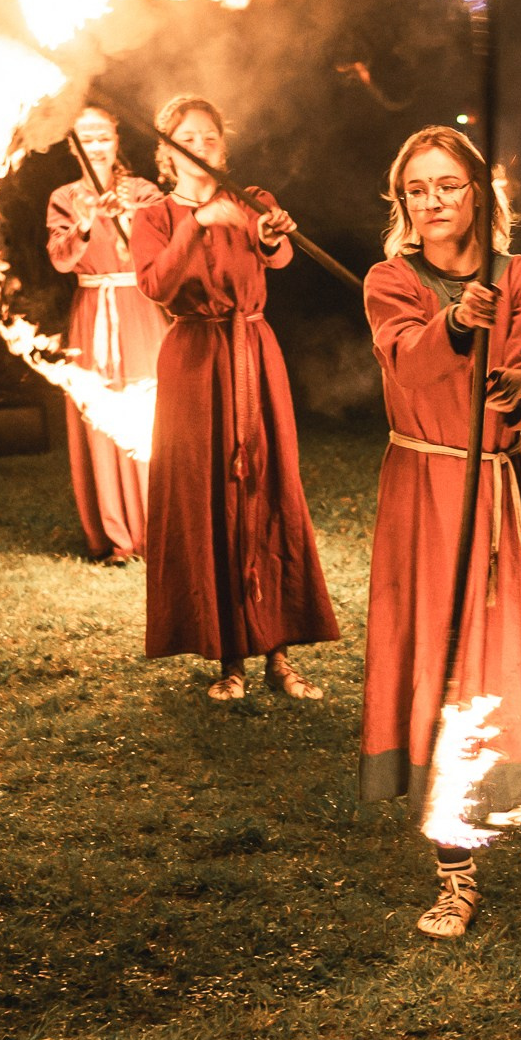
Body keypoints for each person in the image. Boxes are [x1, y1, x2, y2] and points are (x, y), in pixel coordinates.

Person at [360, 125, 521, 938]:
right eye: (417, 189)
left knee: (515, 671)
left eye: (448, 186)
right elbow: (409, 360)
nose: (432, 202)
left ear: (479, 195)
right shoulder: (389, 279)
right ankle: (454, 879)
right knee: (437, 674)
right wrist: (458, 324)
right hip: (423, 495)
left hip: (494, 488)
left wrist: (513, 386)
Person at [129, 94, 338, 701]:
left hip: (253, 355)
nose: (202, 146)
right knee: (206, 499)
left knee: (267, 491)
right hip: (194, 362)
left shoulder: (254, 199)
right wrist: (197, 225)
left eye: (212, 137)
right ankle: (229, 659)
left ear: (225, 146)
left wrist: (270, 235)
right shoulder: (155, 217)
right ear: (168, 154)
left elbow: (279, 253)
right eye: (187, 137)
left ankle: (279, 654)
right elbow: (156, 284)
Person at [44, 106, 170, 564]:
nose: (95, 147)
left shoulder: (143, 191)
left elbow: (166, 246)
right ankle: (115, 536)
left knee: (151, 410)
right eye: (85, 139)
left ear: (116, 141)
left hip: (139, 308)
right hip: (92, 311)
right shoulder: (64, 197)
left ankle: (159, 530)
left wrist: (129, 218)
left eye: (102, 137)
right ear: (71, 145)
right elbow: (60, 259)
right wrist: (82, 221)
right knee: (98, 414)